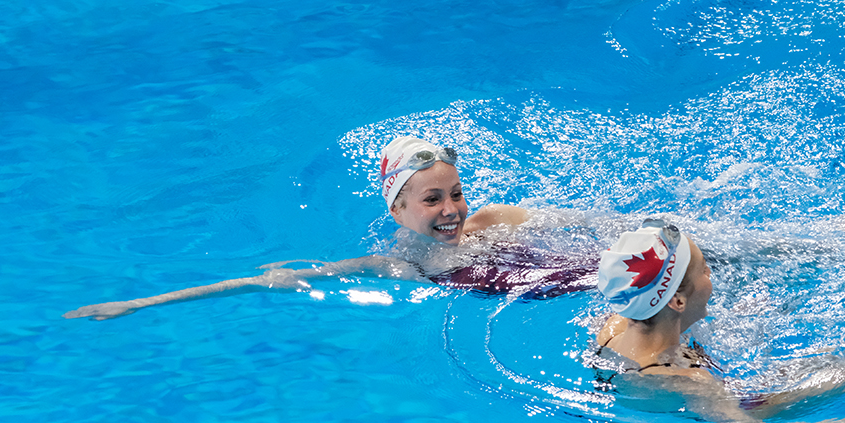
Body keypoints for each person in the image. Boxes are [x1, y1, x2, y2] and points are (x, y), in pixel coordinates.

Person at [66, 136, 597, 320]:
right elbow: (268, 281)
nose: (452, 210)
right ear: (397, 212)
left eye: (456, 193)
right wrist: (140, 303)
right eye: (432, 199)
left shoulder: (495, 219)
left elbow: (604, 225)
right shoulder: (397, 267)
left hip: (598, 278)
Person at [590, 219, 845, 423]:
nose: (710, 273)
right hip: (754, 403)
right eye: (704, 270)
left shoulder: (614, 326)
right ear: (678, 301)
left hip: (705, 376)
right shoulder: (689, 381)